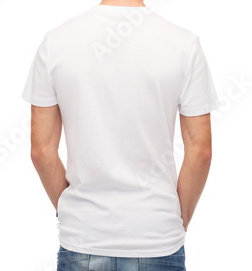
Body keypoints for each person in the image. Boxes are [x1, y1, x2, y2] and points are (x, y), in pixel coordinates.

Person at [22, 0, 220, 270]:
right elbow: (200, 151)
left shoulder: (56, 43)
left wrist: (76, 211)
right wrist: (174, 218)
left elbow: (41, 152)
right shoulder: (184, 44)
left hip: (83, 239)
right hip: (156, 235)